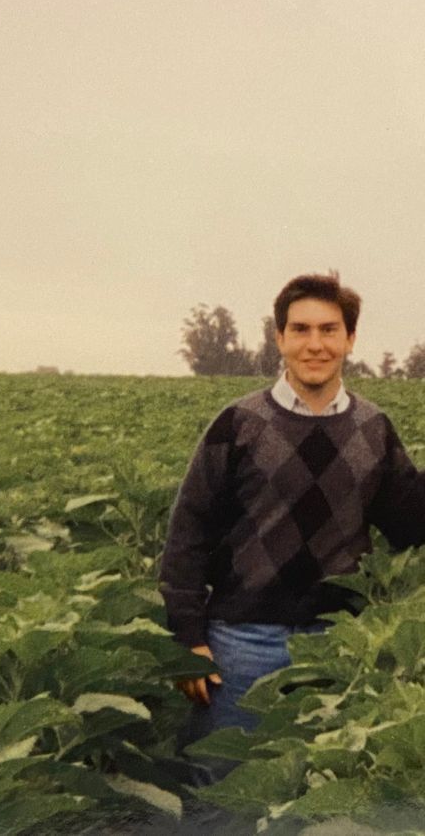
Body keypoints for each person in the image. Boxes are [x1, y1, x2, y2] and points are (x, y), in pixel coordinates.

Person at [159, 272, 425, 754]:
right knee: (226, 784)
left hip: (336, 643)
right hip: (241, 642)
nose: (315, 344)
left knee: (318, 793)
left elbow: (411, 524)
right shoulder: (238, 424)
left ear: (350, 339)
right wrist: (187, 638)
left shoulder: (373, 429)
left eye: (329, 330)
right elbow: (188, 534)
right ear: (279, 338)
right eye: (300, 329)